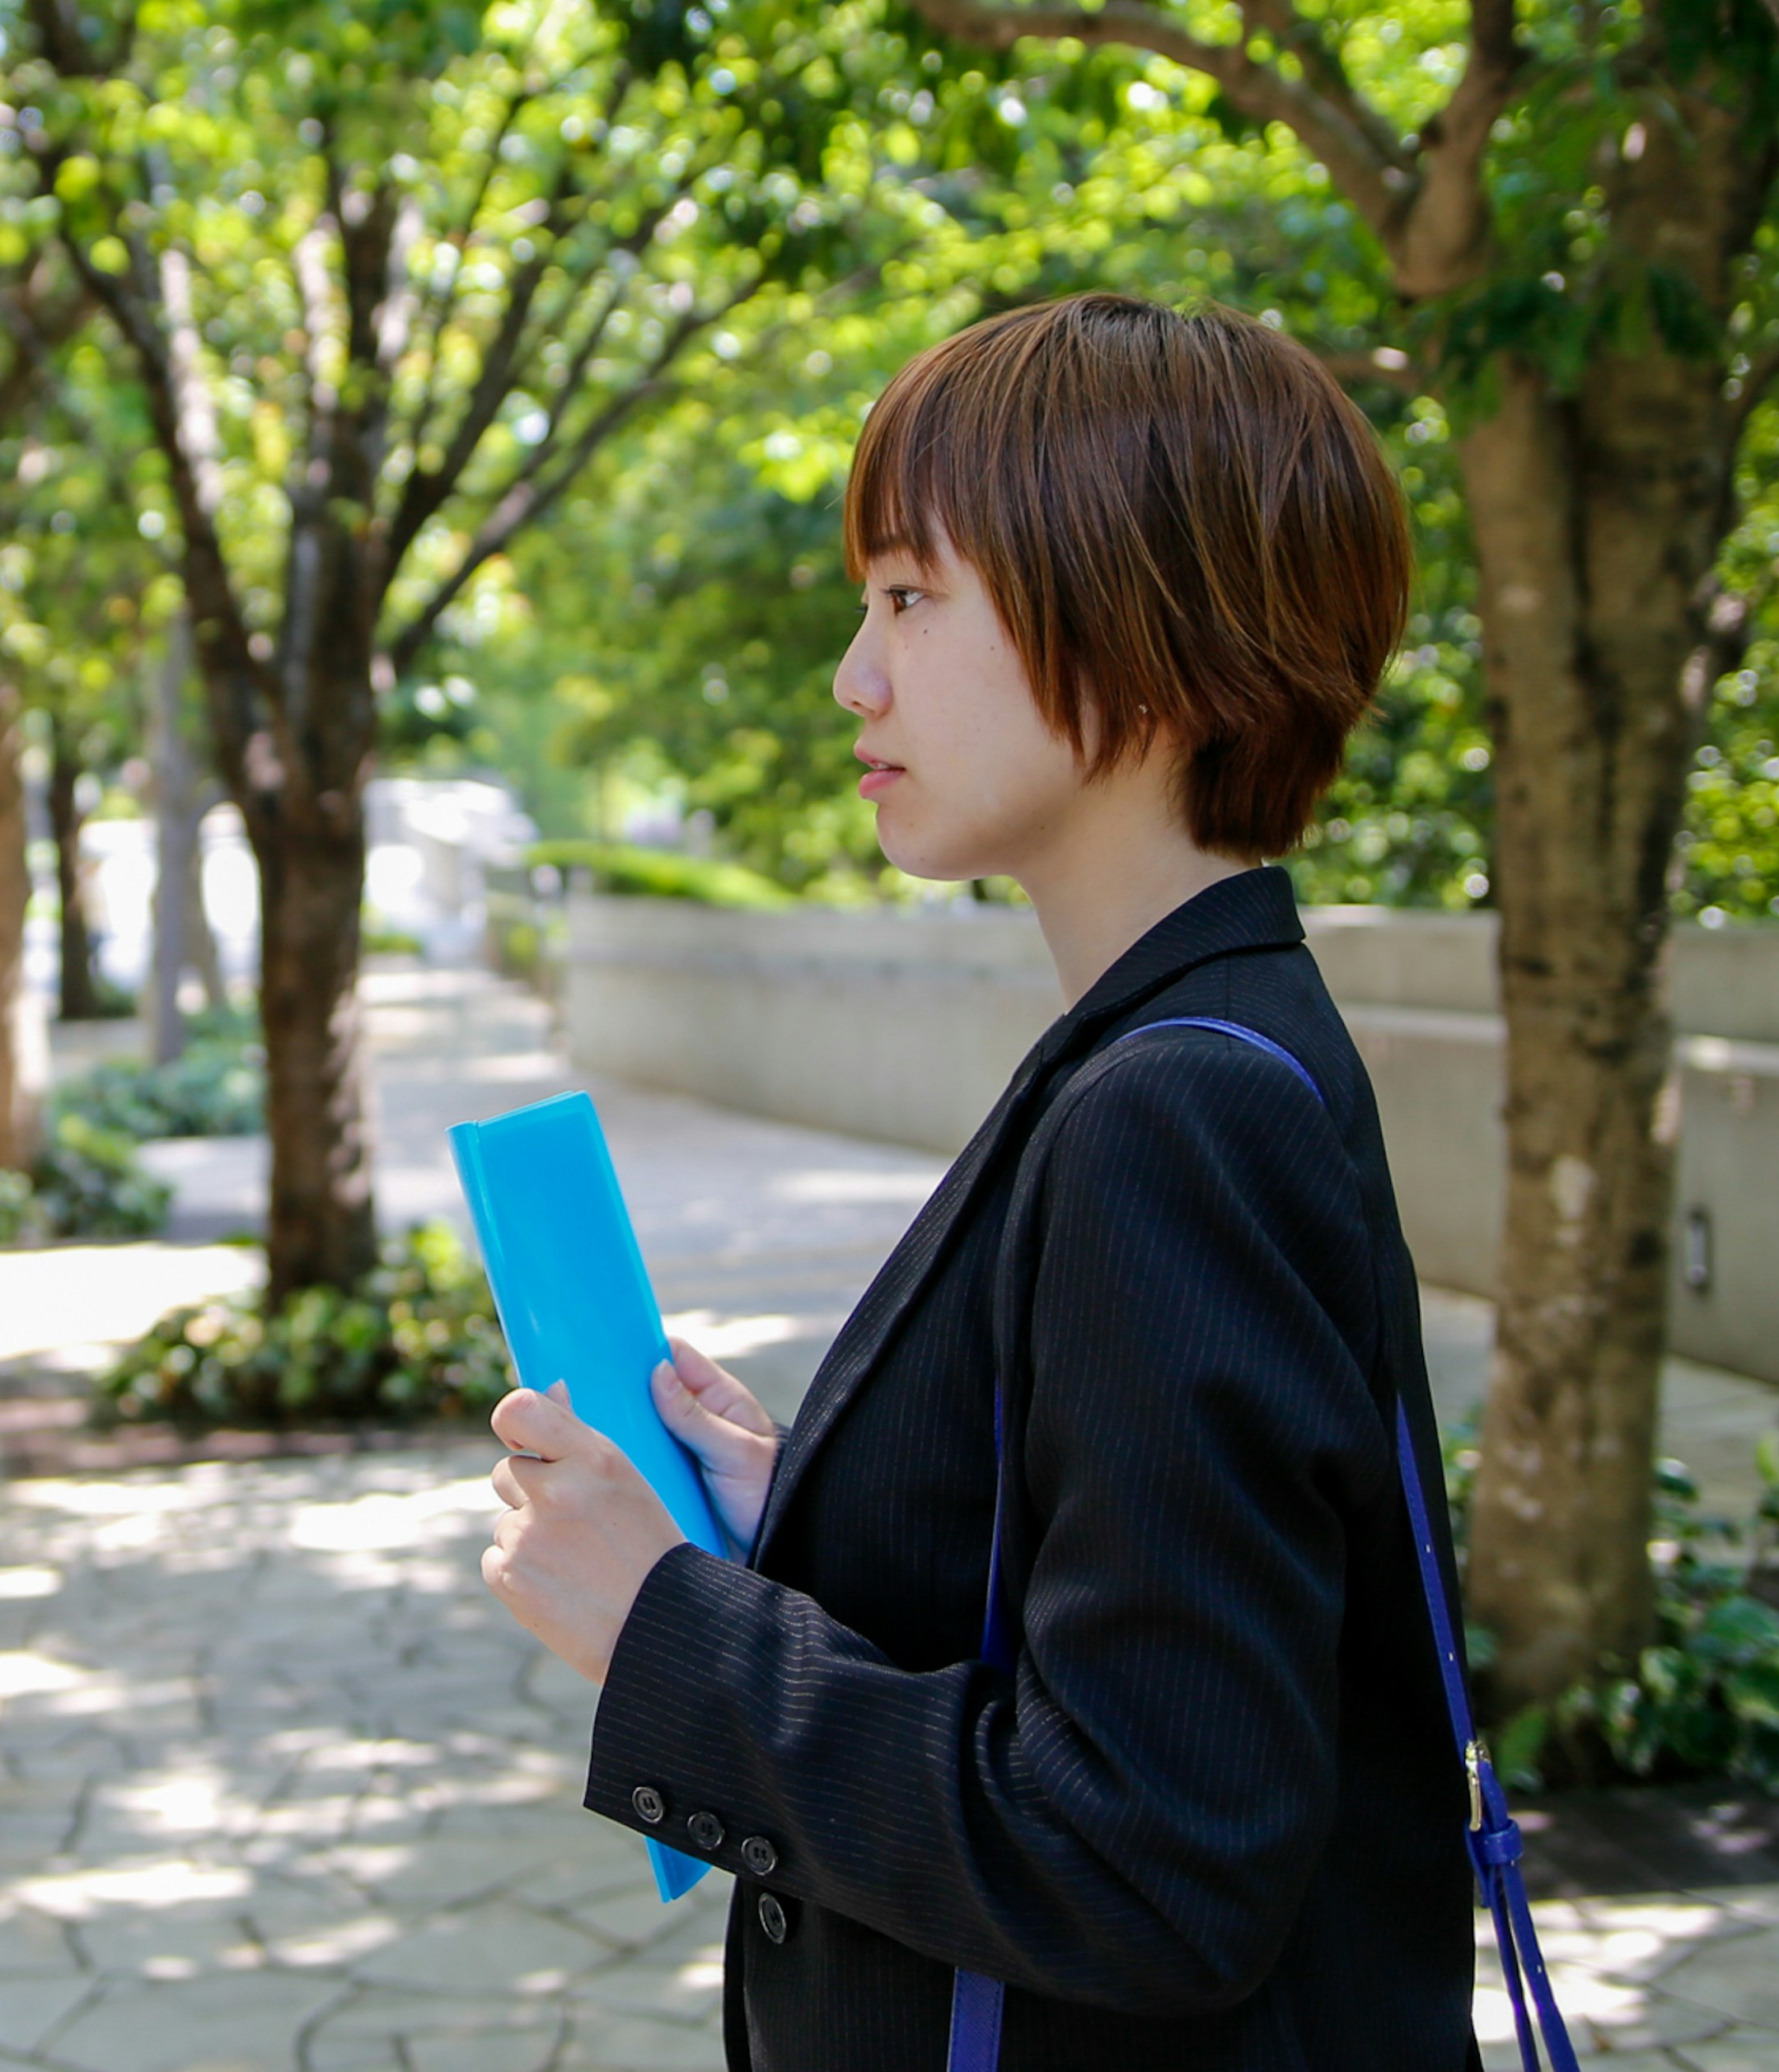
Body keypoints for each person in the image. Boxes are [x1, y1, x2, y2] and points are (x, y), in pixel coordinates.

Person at [478, 292, 1477, 2068]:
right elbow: (1127, 1609)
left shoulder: (1173, 1107)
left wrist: (670, 1626)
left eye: (911, 597)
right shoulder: (1203, 1039)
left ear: (1150, 638)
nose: (856, 674)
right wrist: (820, 1504)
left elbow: (1157, 1858)